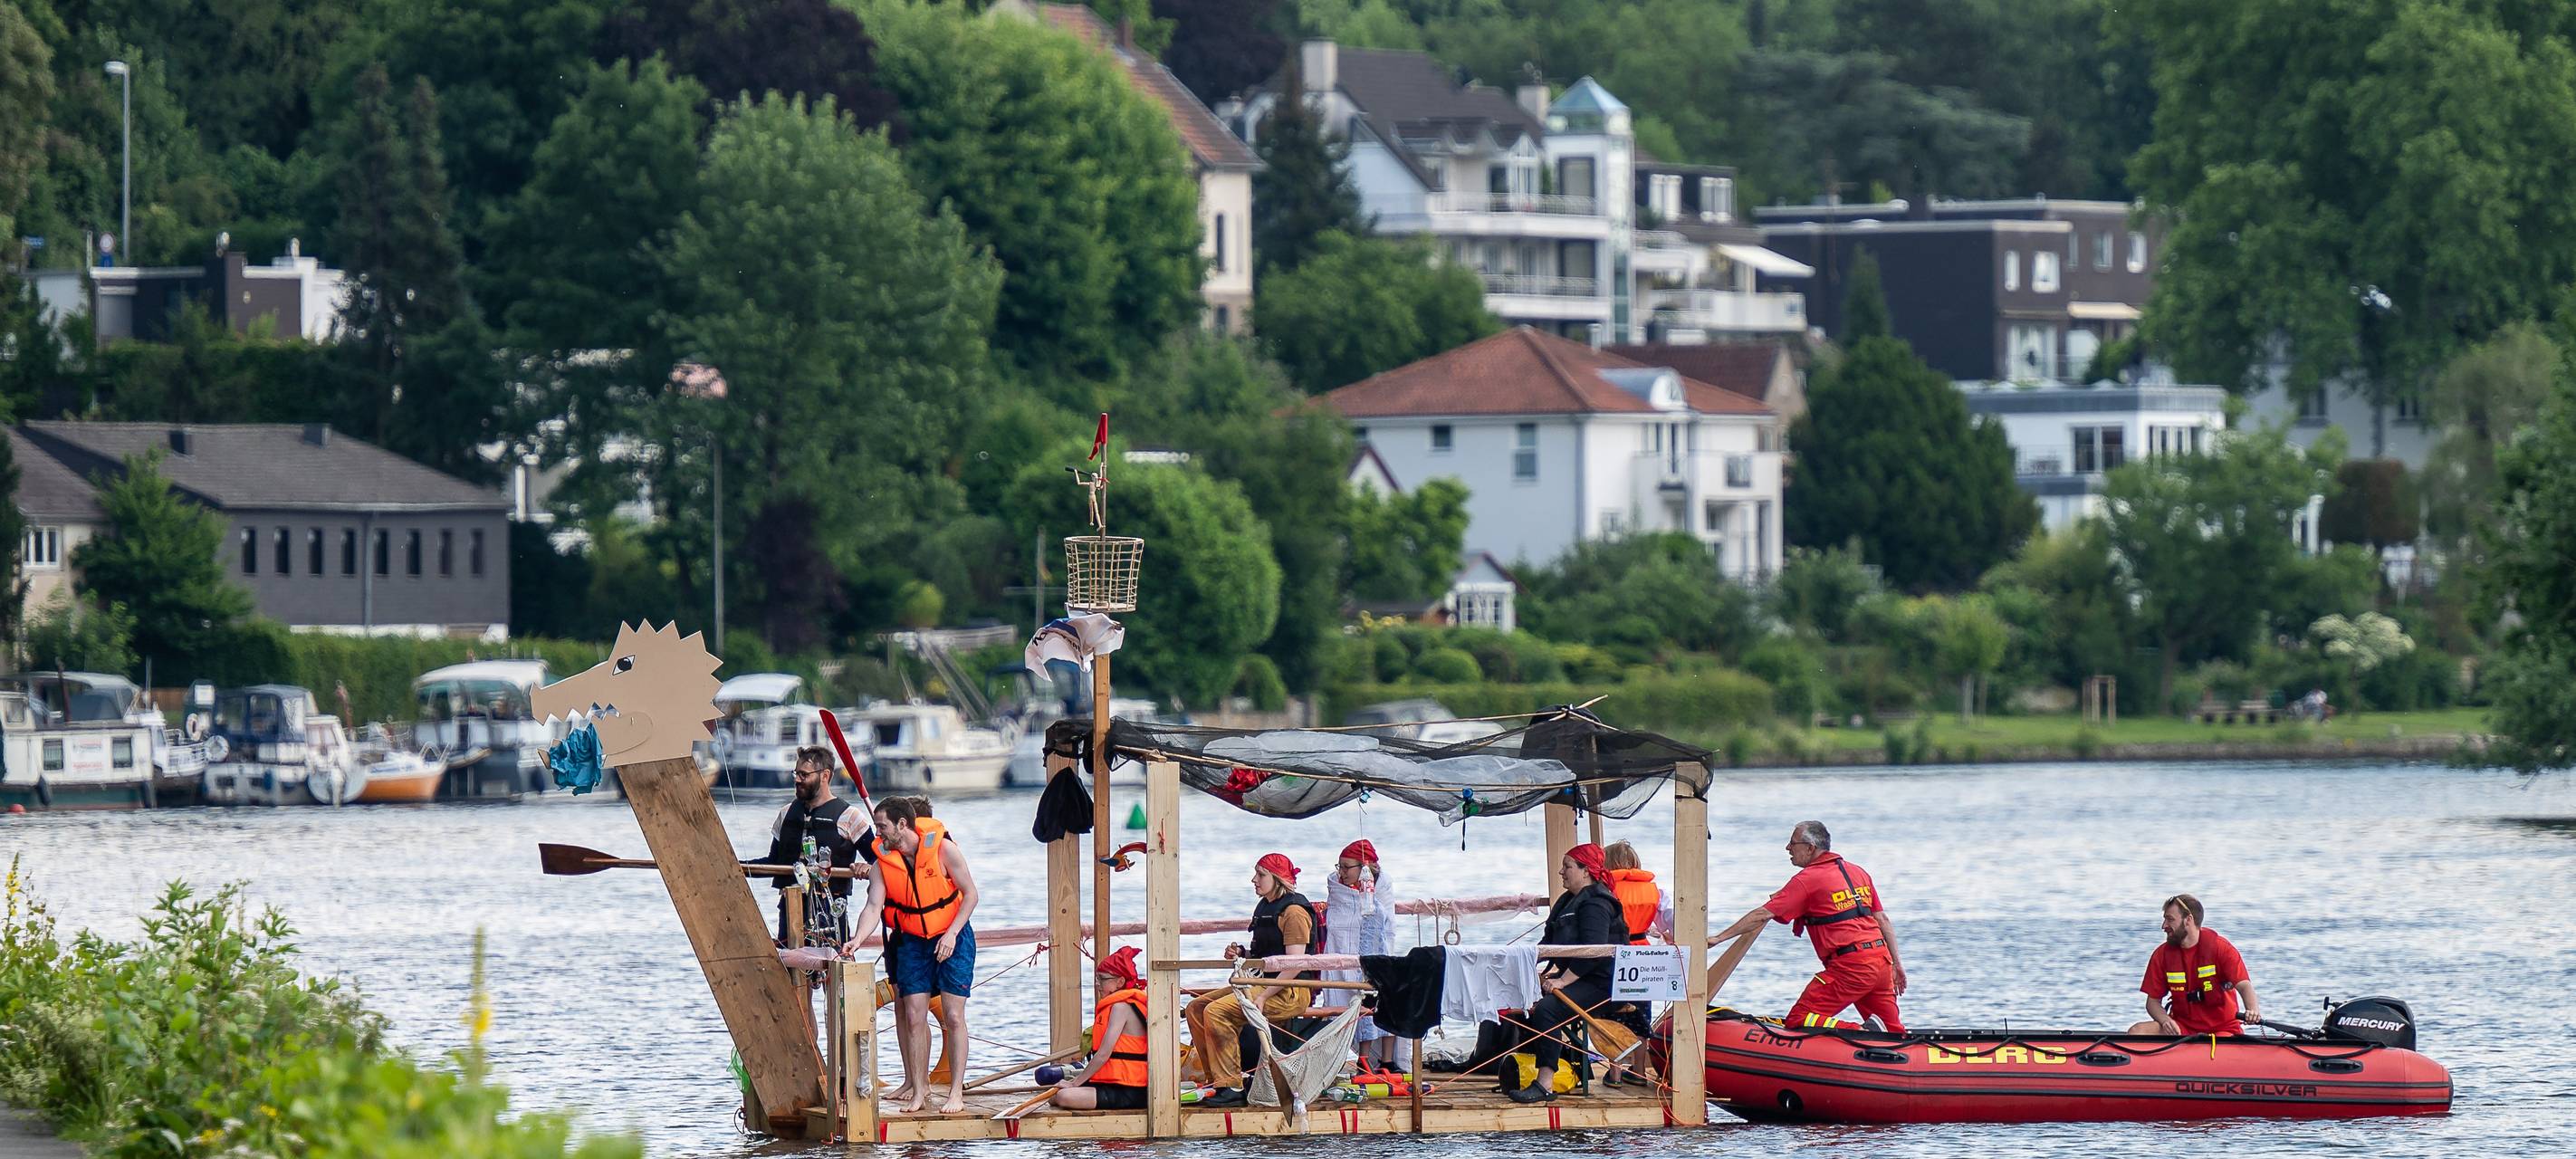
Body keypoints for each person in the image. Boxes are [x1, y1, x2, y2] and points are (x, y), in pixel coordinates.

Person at [842, 795, 980, 1114]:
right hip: (914, 942)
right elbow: (874, 905)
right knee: (914, 1014)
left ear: (902, 824)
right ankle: (920, 1090)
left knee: (954, 1016)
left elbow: (971, 894)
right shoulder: (882, 863)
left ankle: (956, 1092)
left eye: (882, 826)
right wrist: (858, 939)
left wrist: (952, 933)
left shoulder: (944, 849)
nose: (877, 834)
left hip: (953, 935)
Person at [1713, 820, 1908, 1034]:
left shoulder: (1807, 880)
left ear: (1810, 848)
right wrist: (1897, 965)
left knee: (1799, 1019)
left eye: (1792, 843)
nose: (1788, 848)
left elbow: (1762, 914)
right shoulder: (1857, 872)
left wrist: (1719, 938)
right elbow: (1882, 920)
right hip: (1881, 962)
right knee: (1895, 1034)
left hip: (1851, 967)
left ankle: (1862, 1031)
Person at [1183, 853, 1321, 1107]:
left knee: (1217, 1012)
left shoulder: (1293, 912)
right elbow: (1266, 955)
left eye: (1261, 875)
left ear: (1277, 879)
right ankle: (1218, 1079)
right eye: (1255, 874)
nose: (1254, 880)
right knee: (1196, 1007)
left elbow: (1295, 963)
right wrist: (1243, 954)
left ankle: (1231, 1086)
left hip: (1291, 990)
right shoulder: (1266, 906)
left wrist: (1263, 996)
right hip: (1262, 984)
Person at [1504, 842, 1626, 1104]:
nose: (1561, 872)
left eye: (1567, 866)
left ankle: (1545, 1083)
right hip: (1578, 975)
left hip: (1604, 982)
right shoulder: (1567, 901)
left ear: (1586, 871)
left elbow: (1593, 951)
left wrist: (1562, 980)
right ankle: (1507, 1065)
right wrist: (1532, 969)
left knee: (1549, 1009)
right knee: (1513, 994)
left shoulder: (1596, 903)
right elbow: (1548, 945)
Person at [757, 746, 870, 946]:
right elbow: (772, 862)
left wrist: (866, 867)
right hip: (790, 909)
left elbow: (879, 861)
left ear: (825, 775)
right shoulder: (786, 814)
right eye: (796, 773)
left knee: (830, 967)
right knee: (791, 964)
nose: (797, 779)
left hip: (830, 910)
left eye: (804, 774)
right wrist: (734, 866)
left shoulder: (851, 817)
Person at [1323, 839, 1407, 1071]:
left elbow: (1386, 924)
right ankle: (1357, 1060)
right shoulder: (1336, 889)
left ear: (1365, 868)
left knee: (1387, 998)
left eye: (1346, 867)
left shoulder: (1382, 887)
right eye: (1339, 866)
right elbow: (1339, 923)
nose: (1341, 873)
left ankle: (1387, 1062)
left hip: (1376, 955)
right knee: (1354, 1002)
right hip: (1342, 956)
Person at [2128, 894, 2260, 1036]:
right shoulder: (2161, 955)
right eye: (2164, 919)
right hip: (2181, 1029)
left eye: (2170, 919)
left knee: (2223, 1040)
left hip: (2223, 1031)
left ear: (2188, 920)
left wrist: (2252, 1010)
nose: (2164, 926)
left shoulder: (2222, 949)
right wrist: (2165, 1021)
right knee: (2137, 1031)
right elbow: (2152, 1003)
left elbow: (2244, 985)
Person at [1050, 945, 1150, 1110]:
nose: (1098, 984)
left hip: (1130, 1090)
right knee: (1055, 1093)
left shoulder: (1122, 1008)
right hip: (1111, 1084)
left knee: (1063, 1095)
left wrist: (1075, 1082)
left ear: (1120, 982)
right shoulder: (1117, 1006)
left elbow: (1103, 1054)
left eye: (1102, 979)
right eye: (1097, 979)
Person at [1596, 841, 1662, 1085]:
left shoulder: (1604, 889)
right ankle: (1639, 1071)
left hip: (1615, 955)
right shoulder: (1655, 891)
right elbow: (1670, 922)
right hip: (1643, 954)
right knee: (1641, 1016)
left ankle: (1614, 1072)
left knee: (1612, 1014)